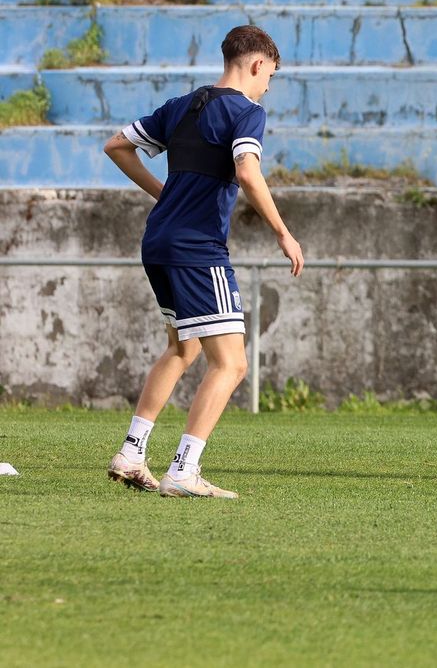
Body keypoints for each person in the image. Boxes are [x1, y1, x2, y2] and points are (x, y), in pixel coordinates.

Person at [103, 25, 304, 499]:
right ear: (257, 65)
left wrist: (164, 194)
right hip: (198, 249)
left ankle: (132, 453)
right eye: (269, 76)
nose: (267, 86)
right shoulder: (247, 112)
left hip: (158, 242)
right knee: (231, 364)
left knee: (183, 348)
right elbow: (247, 172)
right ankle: (183, 470)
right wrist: (283, 232)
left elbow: (116, 146)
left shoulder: (183, 105)